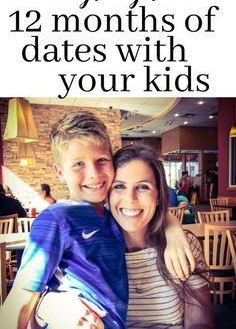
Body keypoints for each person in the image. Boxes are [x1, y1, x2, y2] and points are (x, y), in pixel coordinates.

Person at [0, 112, 196, 329]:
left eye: (101, 160)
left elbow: (150, 211)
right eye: (78, 164)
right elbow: (20, 299)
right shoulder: (56, 219)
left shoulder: (111, 215)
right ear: (59, 172)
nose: (93, 174)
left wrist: (173, 229)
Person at [38, 144, 213, 329]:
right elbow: (32, 312)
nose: (130, 198)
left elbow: (201, 324)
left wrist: (173, 229)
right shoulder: (84, 245)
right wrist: (51, 307)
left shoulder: (183, 246)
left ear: (159, 196)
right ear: (107, 194)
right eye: (119, 186)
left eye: (143, 187)